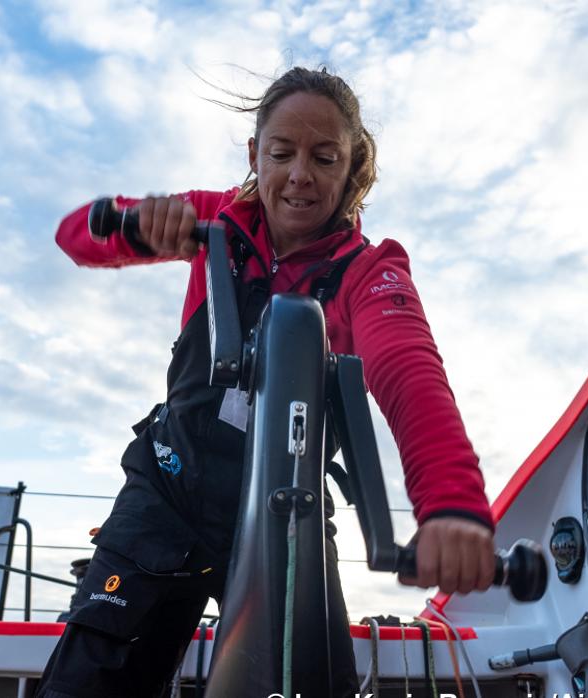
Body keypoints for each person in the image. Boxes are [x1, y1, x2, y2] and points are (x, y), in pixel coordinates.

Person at [36, 66, 496, 698]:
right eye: (281, 153)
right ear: (256, 154)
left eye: (323, 157)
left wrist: (451, 508)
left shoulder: (370, 271)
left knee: (306, 681)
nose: (299, 174)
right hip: (165, 492)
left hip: (288, 512)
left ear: (351, 165)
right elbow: (76, 237)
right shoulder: (214, 220)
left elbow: (409, 371)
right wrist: (136, 224)